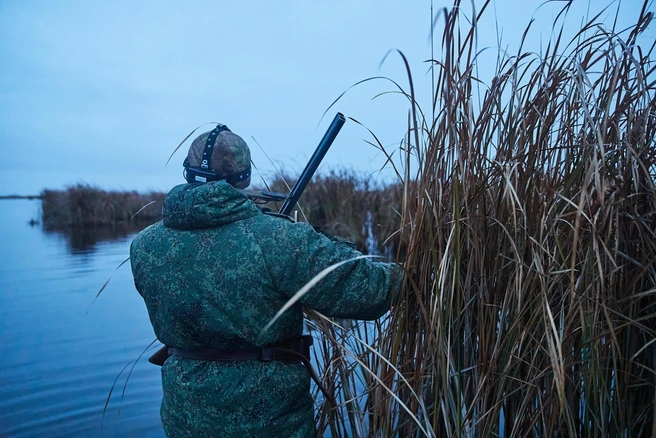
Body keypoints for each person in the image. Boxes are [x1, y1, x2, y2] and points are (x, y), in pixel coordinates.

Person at [130, 123, 403, 438]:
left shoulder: (143, 245)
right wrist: (411, 269)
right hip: (270, 424)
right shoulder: (278, 239)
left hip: (184, 420)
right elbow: (370, 292)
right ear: (243, 177)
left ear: (187, 174)